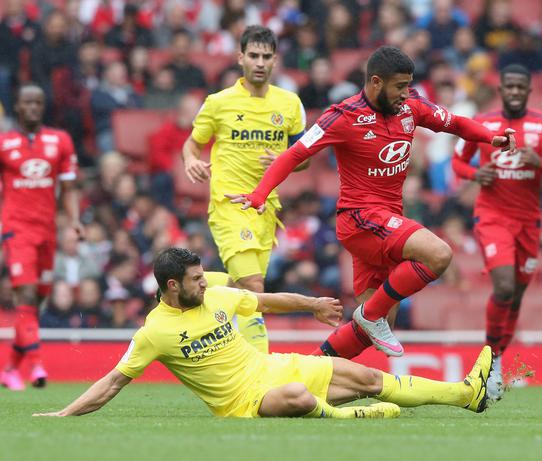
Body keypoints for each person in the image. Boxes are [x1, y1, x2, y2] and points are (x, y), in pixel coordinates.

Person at [227, 46, 515, 359]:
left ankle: (309, 371)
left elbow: (455, 124)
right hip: (360, 218)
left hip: (385, 224)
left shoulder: (411, 107)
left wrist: (491, 136)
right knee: (439, 254)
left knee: (369, 331)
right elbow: (296, 154)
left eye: (408, 85)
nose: (406, 93)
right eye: (399, 86)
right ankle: (371, 314)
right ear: (376, 82)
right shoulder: (342, 116)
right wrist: (259, 194)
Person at [33, 248, 492, 418]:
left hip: (272, 366)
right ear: (171, 287)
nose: (204, 281)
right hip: (243, 404)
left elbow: (266, 301)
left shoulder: (213, 294)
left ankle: (464, 394)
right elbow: (113, 381)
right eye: (195, 279)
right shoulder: (155, 332)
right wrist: (63, 415)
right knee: (295, 397)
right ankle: (347, 417)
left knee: (367, 378)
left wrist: (312, 304)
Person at [182, 26, 308, 354]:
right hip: (229, 206)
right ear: (240, 58)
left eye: (266, 56)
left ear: (276, 60)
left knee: (241, 288)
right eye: (253, 55)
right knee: (254, 288)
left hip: (266, 210)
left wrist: (285, 161)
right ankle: (262, 369)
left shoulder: (290, 104)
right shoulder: (218, 103)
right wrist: (190, 161)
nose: (260, 62)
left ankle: (191, 281)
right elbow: (191, 146)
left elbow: (304, 159)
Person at [452, 64, 542, 400]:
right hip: (491, 217)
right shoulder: (483, 123)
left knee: (516, 296)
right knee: (503, 286)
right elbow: (458, 162)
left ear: (529, 90)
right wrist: (476, 174)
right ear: (501, 90)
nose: (516, 92)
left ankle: (498, 358)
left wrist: (541, 163)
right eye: (510, 86)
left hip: (528, 222)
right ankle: (489, 361)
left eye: (522, 87)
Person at [0, 83, 81, 391]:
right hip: (16, 228)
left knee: (36, 301)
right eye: (27, 103)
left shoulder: (59, 140)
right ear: (18, 107)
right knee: (27, 295)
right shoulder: (4, 143)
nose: (33, 108)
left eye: (38, 102)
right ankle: (36, 367)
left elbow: (70, 187)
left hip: (47, 230)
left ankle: (9, 369)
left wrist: (74, 220)